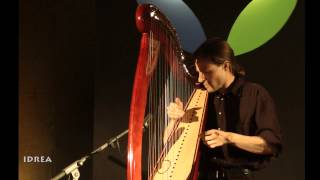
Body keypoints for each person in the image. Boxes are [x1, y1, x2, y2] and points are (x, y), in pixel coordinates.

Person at [166, 37, 282, 180]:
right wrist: (174, 120)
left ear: (226, 66)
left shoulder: (254, 94)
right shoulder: (201, 97)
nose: (200, 79)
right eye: (198, 72)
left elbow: (270, 145)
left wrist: (228, 137)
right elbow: (168, 143)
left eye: (206, 72)